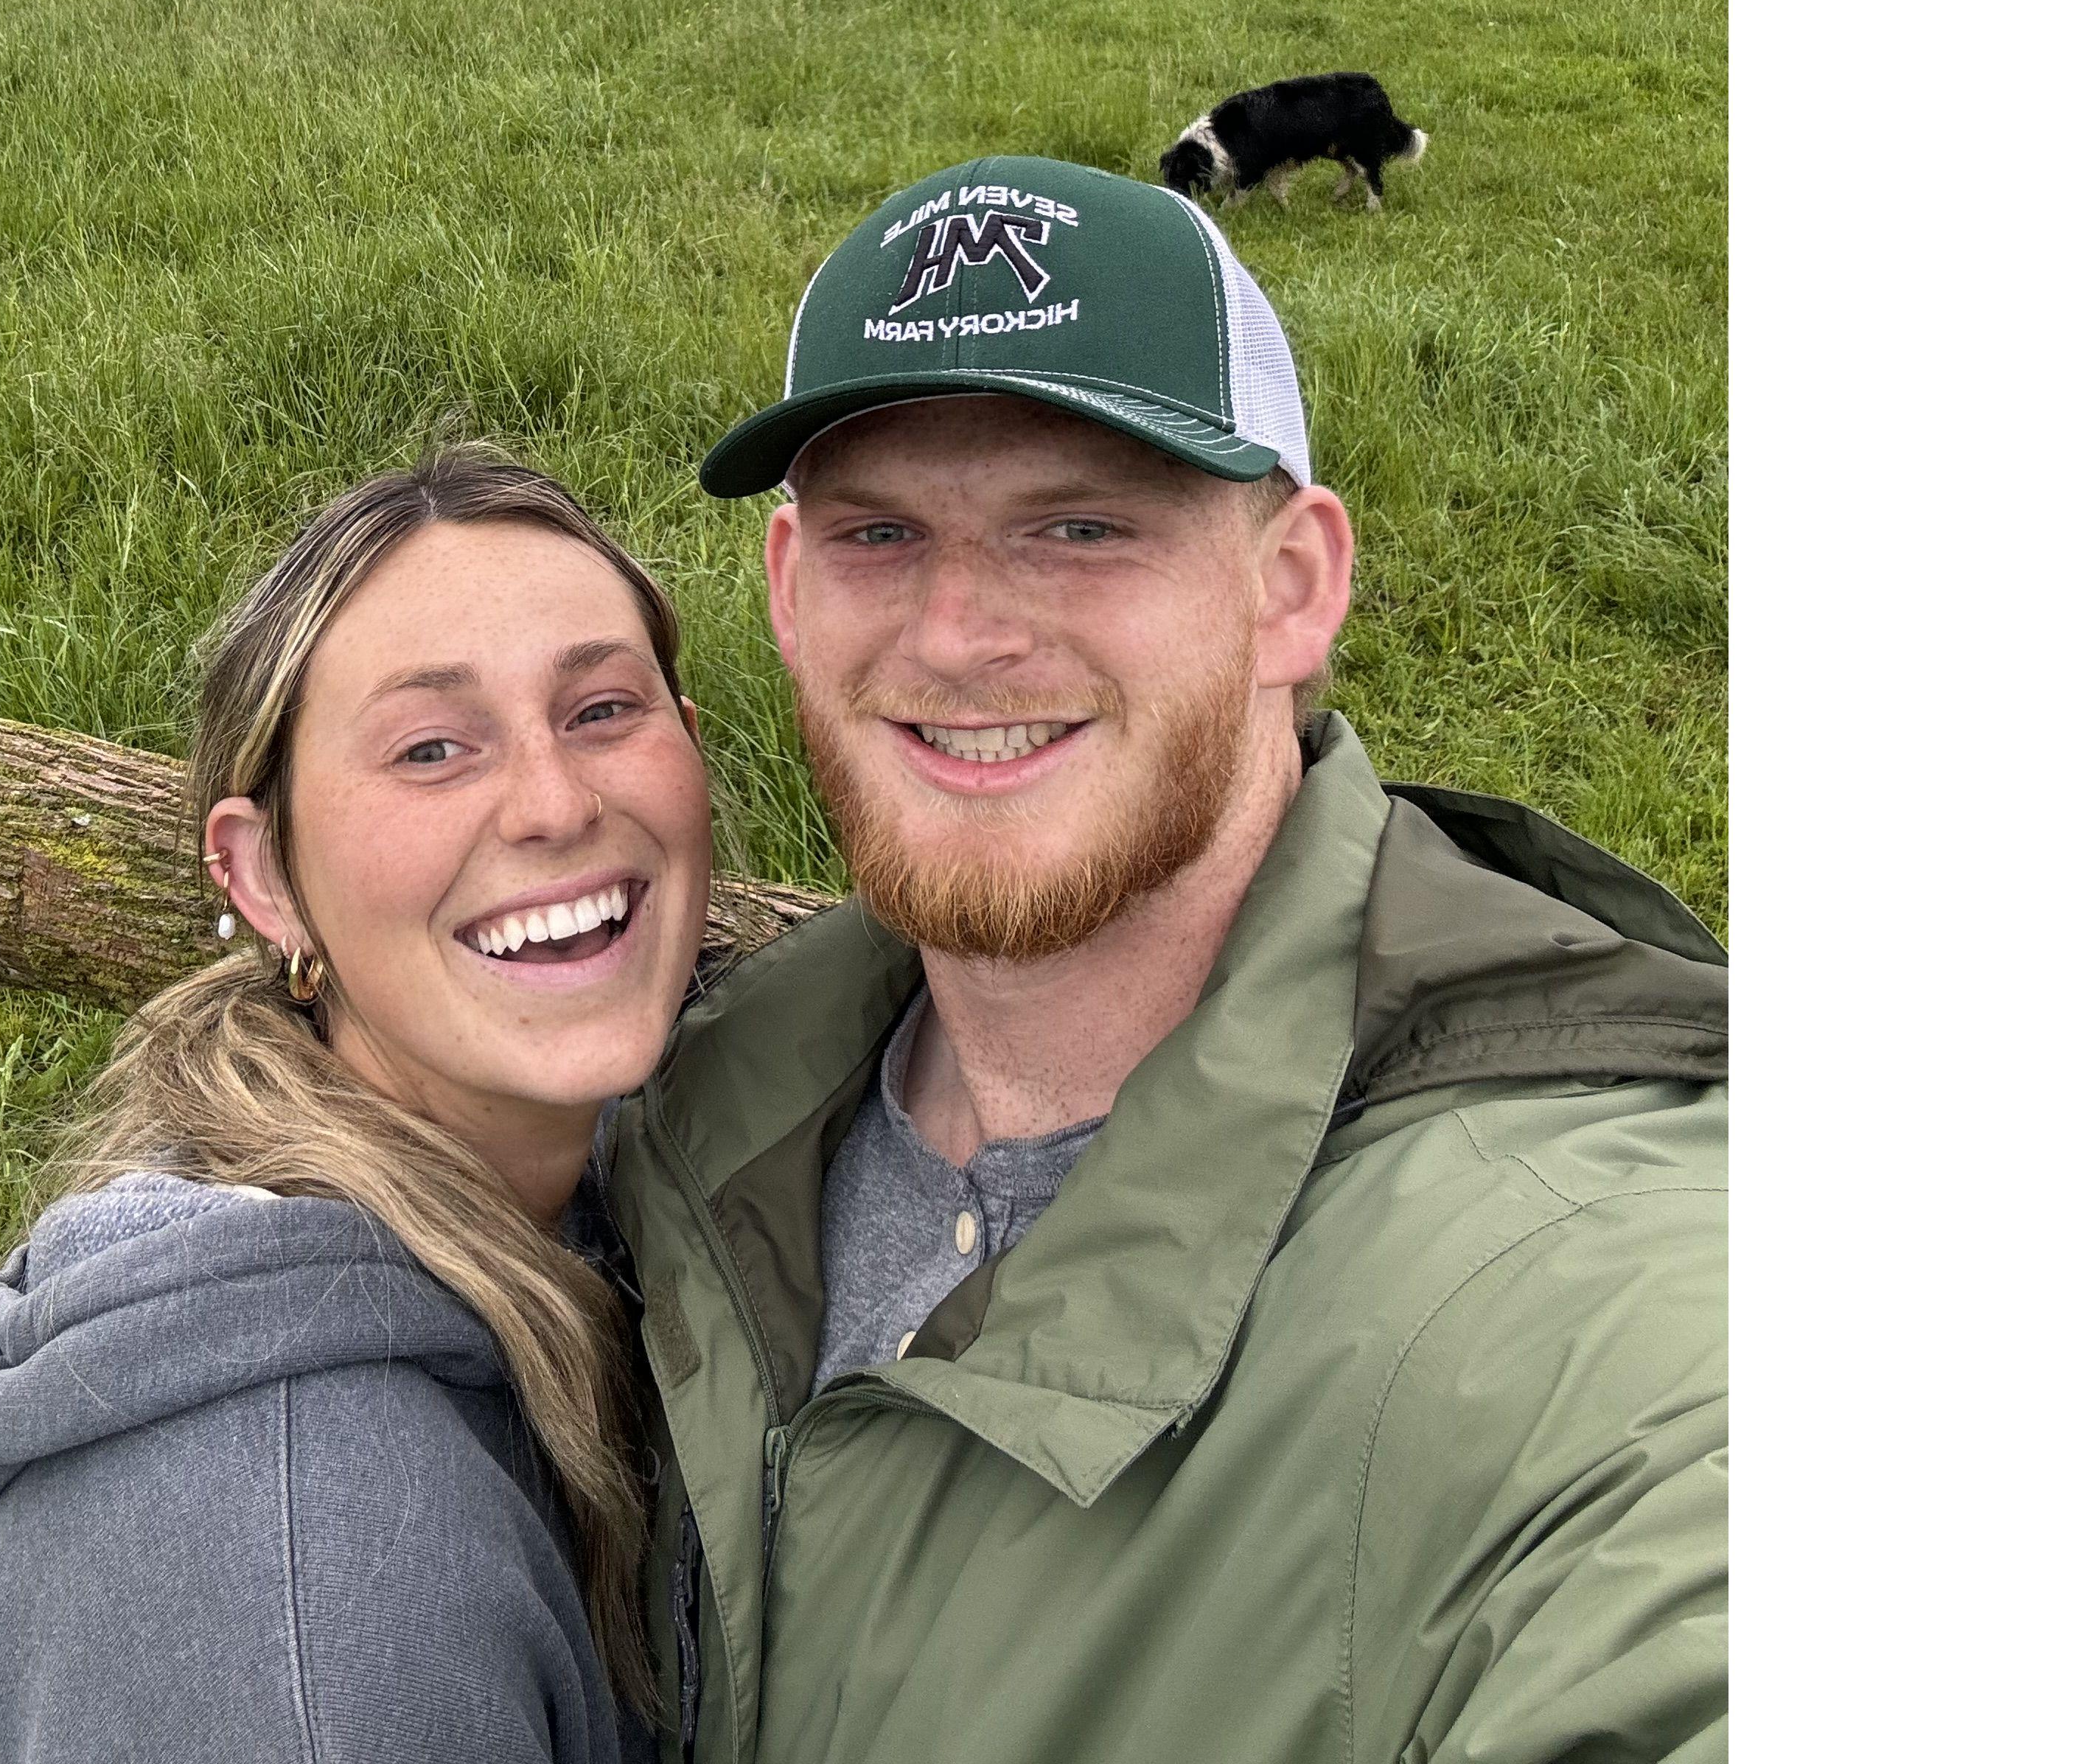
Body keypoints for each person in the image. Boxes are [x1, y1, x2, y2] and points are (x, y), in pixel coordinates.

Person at [606, 155, 1726, 1764]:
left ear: (1295, 587)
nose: (958, 632)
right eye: (879, 534)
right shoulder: (693, 1107)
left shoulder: (1571, 1290)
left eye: (1080, 525)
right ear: (787, 591)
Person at [0, 448, 711, 1763]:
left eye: (604, 710)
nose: (559, 804)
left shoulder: (599, 1189)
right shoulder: (313, 1588)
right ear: (264, 877)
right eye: (432, 748)